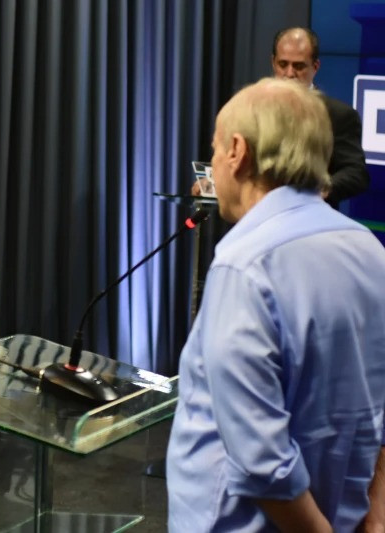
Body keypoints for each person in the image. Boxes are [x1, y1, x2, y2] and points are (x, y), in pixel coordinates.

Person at [167, 78, 385, 531]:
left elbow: (262, 464)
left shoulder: (244, 267)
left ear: (237, 152)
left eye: (214, 149)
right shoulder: (370, 252)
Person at [191, 27, 369, 207]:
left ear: (315, 67)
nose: (290, 73)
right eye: (283, 64)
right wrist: (213, 184)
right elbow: (238, 157)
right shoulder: (253, 108)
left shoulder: (337, 114)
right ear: (273, 63)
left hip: (310, 222)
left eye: (299, 66)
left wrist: (315, 192)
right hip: (256, 219)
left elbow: (356, 173)